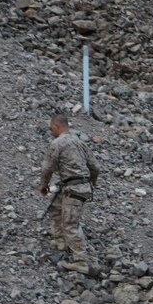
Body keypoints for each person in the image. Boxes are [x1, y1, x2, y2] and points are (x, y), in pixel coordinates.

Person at [39, 114, 100, 274]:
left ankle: (81, 260)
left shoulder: (57, 143)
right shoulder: (80, 143)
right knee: (55, 207)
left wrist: (44, 185)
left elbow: (48, 168)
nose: (51, 131)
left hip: (74, 189)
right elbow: (95, 167)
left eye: (51, 128)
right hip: (78, 186)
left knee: (71, 224)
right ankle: (60, 239)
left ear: (57, 126)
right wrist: (91, 184)